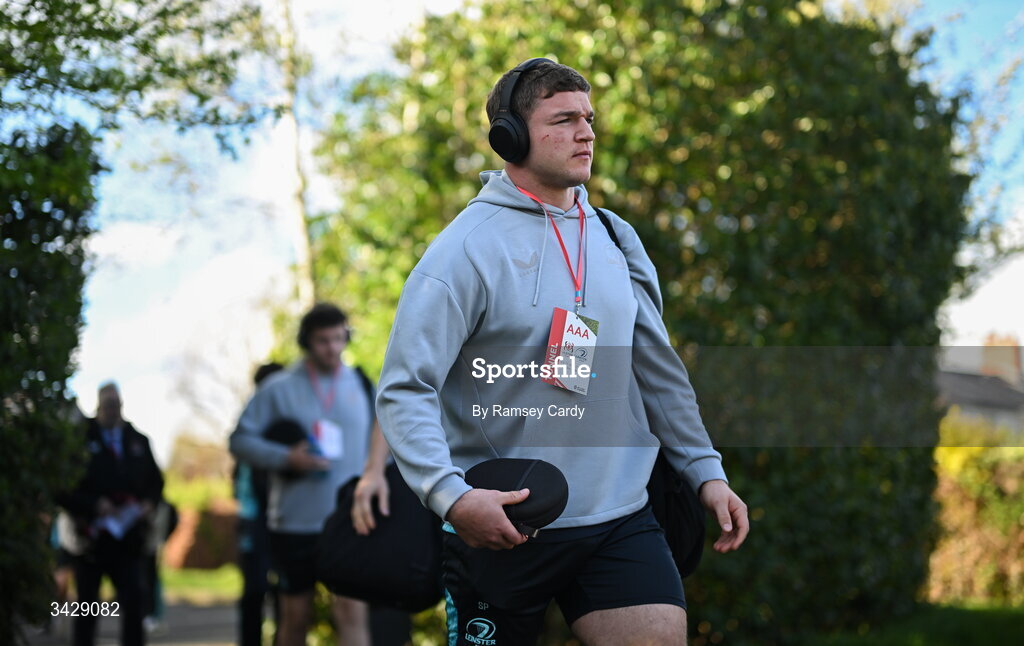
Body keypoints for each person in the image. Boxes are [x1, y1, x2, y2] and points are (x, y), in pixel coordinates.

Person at [375, 58, 750, 646]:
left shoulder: (614, 236)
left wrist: (705, 471)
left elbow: (657, 369)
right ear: (511, 136)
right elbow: (405, 388)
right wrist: (452, 498)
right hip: (503, 521)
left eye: (590, 118)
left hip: (620, 517)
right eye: (565, 119)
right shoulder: (462, 252)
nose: (587, 132)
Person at [229, 304, 392, 646]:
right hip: (294, 525)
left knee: (352, 613)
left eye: (338, 338)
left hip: (352, 520)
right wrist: (286, 457)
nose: (332, 348)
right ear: (306, 341)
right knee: (295, 617)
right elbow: (240, 441)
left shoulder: (362, 384)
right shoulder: (277, 388)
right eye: (322, 340)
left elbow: (384, 441)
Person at [56, 383, 164, 646]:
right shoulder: (80, 440)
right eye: (108, 406)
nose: (113, 411)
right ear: (98, 407)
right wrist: (94, 505)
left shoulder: (137, 440)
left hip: (127, 541)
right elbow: (62, 489)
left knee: (133, 606)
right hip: (90, 541)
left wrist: (148, 503)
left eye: (117, 405)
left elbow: (156, 483)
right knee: (87, 610)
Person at [233, 361, 283, 646]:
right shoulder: (253, 425)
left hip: (276, 519)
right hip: (254, 520)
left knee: (281, 593)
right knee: (255, 591)